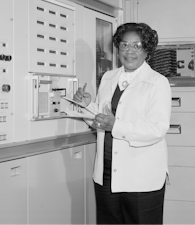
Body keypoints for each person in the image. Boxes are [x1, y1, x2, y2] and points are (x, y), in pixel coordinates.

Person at [73, 23, 171, 225]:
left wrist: (115, 126)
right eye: (124, 45)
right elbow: (100, 121)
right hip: (107, 173)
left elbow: (157, 128)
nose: (130, 51)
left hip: (141, 176)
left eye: (137, 46)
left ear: (147, 50)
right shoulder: (109, 77)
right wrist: (86, 106)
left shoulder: (157, 82)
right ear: (118, 49)